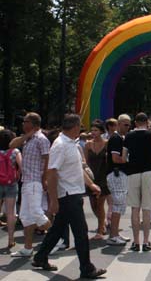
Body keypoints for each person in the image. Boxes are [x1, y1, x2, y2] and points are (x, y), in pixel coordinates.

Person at [32, 114, 106, 279]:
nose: (81, 129)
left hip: (74, 193)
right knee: (81, 232)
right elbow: (52, 173)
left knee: (57, 229)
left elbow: (77, 168)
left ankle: (40, 257)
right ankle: (86, 268)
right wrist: (53, 200)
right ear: (75, 127)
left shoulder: (71, 143)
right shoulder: (60, 145)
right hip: (67, 195)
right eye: (80, 126)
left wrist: (90, 184)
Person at [9, 112, 52, 257]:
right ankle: (27, 248)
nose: (22, 124)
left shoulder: (41, 139)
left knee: (36, 212)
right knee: (26, 216)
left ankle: (55, 238)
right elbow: (12, 145)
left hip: (35, 181)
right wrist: (28, 135)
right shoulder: (28, 139)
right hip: (27, 181)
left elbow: (47, 160)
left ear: (32, 123)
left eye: (25, 121)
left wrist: (44, 179)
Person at [122, 113, 151, 252]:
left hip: (133, 172)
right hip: (148, 171)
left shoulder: (129, 136)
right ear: (147, 122)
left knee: (134, 208)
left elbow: (123, 156)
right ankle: (146, 242)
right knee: (146, 209)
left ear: (135, 122)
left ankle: (135, 241)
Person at [106, 114, 131, 246]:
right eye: (125, 124)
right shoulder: (116, 139)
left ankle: (115, 233)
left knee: (120, 205)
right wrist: (129, 161)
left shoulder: (120, 138)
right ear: (119, 124)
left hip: (120, 174)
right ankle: (113, 235)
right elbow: (115, 158)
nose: (128, 127)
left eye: (129, 125)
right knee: (117, 205)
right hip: (116, 174)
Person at [84, 120, 109, 239]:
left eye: (96, 130)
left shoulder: (106, 143)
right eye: (92, 130)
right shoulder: (88, 144)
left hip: (103, 177)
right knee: (93, 204)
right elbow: (85, 162)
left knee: (100, 204)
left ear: (101, 131)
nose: (93, 132)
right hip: (92, 177)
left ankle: (100, 230)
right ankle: (102, 222)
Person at [0, 129, 22, 249]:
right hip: (11, 184)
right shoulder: (15, 151)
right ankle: (10, 240)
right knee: (10, 213)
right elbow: (22, 166)